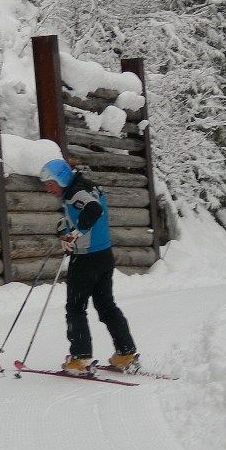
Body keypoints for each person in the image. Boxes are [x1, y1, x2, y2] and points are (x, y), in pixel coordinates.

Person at [39, 158, 138, 375]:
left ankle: (80, 358)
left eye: (50, 184)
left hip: (86, 260)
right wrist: (65, 230)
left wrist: (75, 234)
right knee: (106, 306)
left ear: (61, 179)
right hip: (104, 256)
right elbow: (82, 214)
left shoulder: (76, 194)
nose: (48, 189)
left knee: (75, 308)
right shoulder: (83, 188)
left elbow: (93, 210)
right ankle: (125, 353)